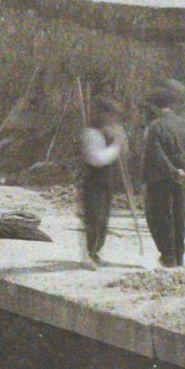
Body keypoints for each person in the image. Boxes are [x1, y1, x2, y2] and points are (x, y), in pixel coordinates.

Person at [141, 82, 185, 268]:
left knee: (159, 217)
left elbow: (156, 154)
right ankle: (179, 257)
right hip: (180, 177)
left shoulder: (155, 126)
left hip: (159, 178)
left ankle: (168, 257)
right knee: (178, 217)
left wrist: (172, 171)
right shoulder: (181, 124)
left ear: (153, 106)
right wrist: (182, 170)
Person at [78, 95, 127, 267]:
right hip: (93, 181)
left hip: (106, 180)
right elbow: (96, 159)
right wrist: (115, 147)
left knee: (104, 218)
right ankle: (90, 253)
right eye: (110, 115)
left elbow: (124, 152)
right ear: (101, 114)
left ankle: (96, 252)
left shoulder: (109, 132)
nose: (112, 120)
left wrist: (121, 141)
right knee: (94, 218)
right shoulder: (91, 133)